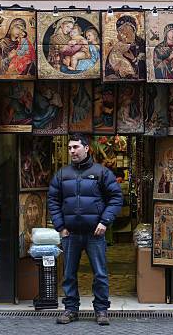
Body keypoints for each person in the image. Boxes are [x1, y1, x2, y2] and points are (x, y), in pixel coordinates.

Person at [48, 133, 122, 326]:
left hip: (94, 234)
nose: (72, 151)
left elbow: (116, 197)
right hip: (70, 234)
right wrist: (60, 226)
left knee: (100, 273)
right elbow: (53, 201)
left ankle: (101, 310)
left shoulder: (101, 173)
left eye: (76, 147)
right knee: (69, 274)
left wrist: (104, 221)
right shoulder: (62, 174)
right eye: (70, 148)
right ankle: (70, 309)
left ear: (86, 148)